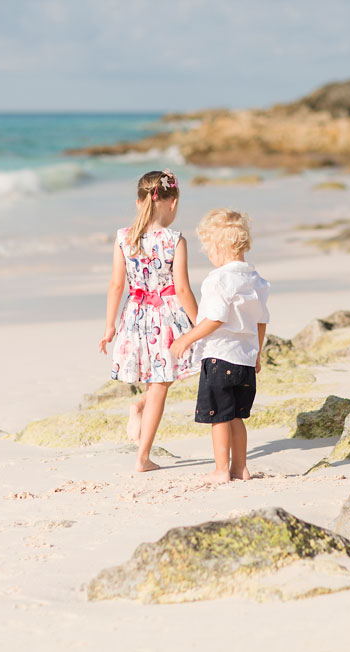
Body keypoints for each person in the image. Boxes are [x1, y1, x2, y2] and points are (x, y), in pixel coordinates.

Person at [99, 170, 199, 472]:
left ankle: (139, 406)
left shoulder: (123, 238)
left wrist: (109, 326)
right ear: (173, 202)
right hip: (166, 317)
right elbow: (181, 288)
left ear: (139, 202)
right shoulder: (174, 240)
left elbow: (116, 285)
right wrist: (200, 326)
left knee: (155, 379)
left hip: (135, 315)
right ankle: (142, 457)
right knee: (160, 384)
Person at [170, 209, 269, 483]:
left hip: (220, 358)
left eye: (208, 249)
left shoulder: (218, 279)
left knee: (219, 417)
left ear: (217, 246)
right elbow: (261, 322)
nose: (208, 255)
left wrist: (187, 338)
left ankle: (221, 469)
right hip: (245, 362)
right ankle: (241, 468)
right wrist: (257, 354)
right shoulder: (257, 281)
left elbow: (215, 318)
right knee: (237, 416)